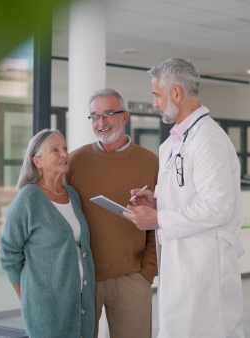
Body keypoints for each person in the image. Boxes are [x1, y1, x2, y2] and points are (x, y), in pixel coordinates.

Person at [123, 58, 246, 337]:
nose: (154, 103)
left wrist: (158, 218)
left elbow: (218, 206)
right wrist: (157, 202)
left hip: (204, 263)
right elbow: (188, 194)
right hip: (180, 261)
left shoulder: (208, 139)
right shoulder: (174, 142)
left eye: (157, 95)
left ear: (176, 93)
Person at [67, 89, 159, 338]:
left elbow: (161, 217)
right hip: (84, 277)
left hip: (132, 277)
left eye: (108, 114)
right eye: (94, 116)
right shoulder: (75, 162)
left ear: (125, 117)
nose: (101, 122)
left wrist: (147, 271)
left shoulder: (151, 162)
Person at [0, 129, 95, 338]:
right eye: (55, 150)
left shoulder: (73, 195)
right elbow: (8, 254)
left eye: (65, 148)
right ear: (37, 161)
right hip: (46, 306)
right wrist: (26, 297)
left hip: (81, 301)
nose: (64, 154)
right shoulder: (28, 199)